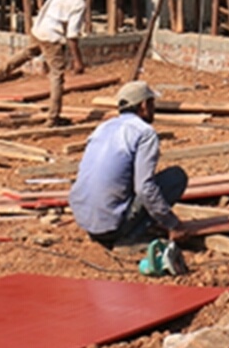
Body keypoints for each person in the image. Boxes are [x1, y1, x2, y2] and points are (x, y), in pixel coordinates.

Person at [68, 80, 188, 245]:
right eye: (152, 103)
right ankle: (130, 238)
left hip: (86, 221)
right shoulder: (144, 133)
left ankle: (118, 228)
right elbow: (144, 188)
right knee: (175, 177)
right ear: (144, 105)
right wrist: (173, 224)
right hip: (111, 227)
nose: (154, 109)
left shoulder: (103, 127)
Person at [0, 0, 101, 125]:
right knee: (56, 76)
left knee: (26, 54)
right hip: (52, 38)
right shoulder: (79, 3)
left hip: (39, 29)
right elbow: (72, 36)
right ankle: (53, 117)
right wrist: (78, 61)